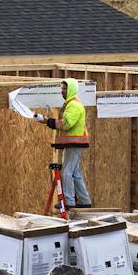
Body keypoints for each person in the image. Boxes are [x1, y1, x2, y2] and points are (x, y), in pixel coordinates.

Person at [39, 78, 90, 208]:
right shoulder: (71, 104)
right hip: (74, 142)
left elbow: (66, 124)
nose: (62, 91)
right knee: (75, 172)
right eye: (61, 88)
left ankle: (69, 201)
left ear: (71, 89)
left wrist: (48, 122)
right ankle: (84, 201)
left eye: (65, 88)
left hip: (74, 143)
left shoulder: (73, 105)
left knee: (66, 171)